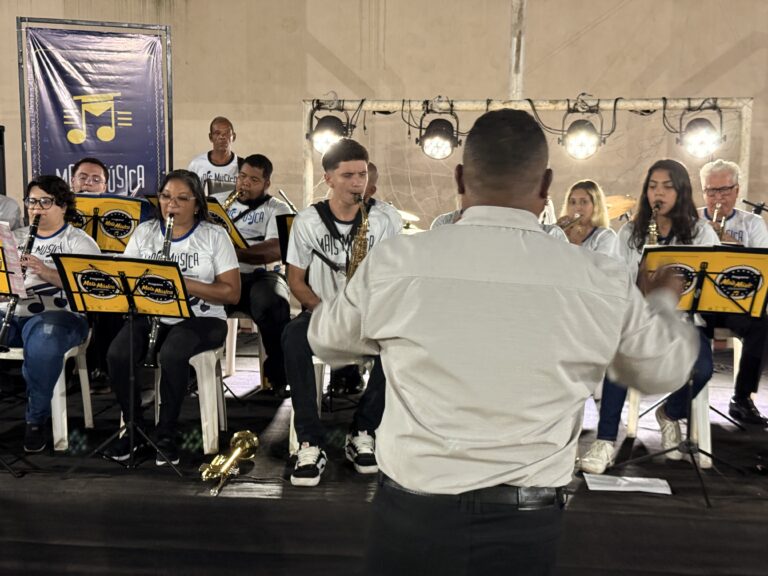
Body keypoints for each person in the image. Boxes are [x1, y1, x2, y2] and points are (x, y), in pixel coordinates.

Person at [307, 110, 700, 575]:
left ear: (459, 177)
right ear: (546, 184)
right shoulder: (600, 278)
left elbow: (326, 340)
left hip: (413, 511)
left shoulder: (397, 261)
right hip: (527, 516)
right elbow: (663, 368)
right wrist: (661, 302)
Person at [580, 159, 719, 475]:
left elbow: (710, 285)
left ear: (681, 191)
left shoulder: (701, 232)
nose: (659, 193)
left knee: (703, 369)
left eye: (667, 187)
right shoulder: (631, 232)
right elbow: (614, 281)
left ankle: (670, 413)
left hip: (684, 322)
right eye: (653, 186)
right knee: (619, 360)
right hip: (638, 319)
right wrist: (639, 281)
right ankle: (605, 440)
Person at [282, 139, 399, 487]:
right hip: (324, 311)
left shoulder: (385, 218)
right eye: (348, 175)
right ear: (328, 179)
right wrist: (327, 312)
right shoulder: (307, 222)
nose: (357, 183)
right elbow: (295, 281)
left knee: (397, 341)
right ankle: (309, 442)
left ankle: (364, 430)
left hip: (369, 313)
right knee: (292, 336)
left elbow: (397, 275)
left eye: (362, 174)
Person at [105, 169, 240, 465]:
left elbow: (231, 293)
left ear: (197, 204)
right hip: (152, 314)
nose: (172, 204)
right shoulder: (145, 232)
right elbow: (126, 279)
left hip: (202, 317)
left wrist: (182, 283)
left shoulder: (214, 236)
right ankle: (135, 428)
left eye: (182, 198)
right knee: (117, 353)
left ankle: (166, 431)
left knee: (173, 352)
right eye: (166, 197)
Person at [0, 175, 101, 452]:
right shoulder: (13, 238)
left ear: (63, 206)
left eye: (45, 202)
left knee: (44, 342)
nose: (37, 208)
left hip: (60, 314)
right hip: (11, 311)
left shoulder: (79, 242)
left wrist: (44, 271)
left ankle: (36, 420)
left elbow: (90, 288)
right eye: (32, 202)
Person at [211, 154, 293, 395]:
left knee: (274, 305)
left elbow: (274, 249)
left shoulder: (277, 208)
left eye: (254, 180)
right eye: (242, 177)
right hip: (218, 275)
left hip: (260, 276)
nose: (245, 183)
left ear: (267, 184)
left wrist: (231, 253)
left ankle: (277, 376)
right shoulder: (216, 203)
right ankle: (193, 373)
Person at [698, 159, 768, 425]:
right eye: (711, 191)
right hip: (698, 303)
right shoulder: (691, 219)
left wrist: (727, 240)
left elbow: (762, 267)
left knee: (762, 325)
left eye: (724, 190)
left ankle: (742, 397)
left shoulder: (752, 223)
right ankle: (686, 397)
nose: (718, 198)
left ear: (737, 190)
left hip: (735, 302)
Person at [330, 161, 402, 395]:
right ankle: (343, 375)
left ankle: (372, 395)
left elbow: (395, 261)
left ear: (372, 190)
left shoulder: (387, 217)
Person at [557, 179, 617, 255]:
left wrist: (575, 243)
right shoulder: (560, 233)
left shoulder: (605, 236)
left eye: (584, 202)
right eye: (573, 202)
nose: (577, 207)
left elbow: (598, 263)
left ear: (596, 206)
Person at [187, 117, 241, 195]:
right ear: (210, 137)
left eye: (226, 133)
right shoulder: (196, 164)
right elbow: (189, 194)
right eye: (217, 133)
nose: (222, 137)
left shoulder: (242, 166)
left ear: (234, 136)